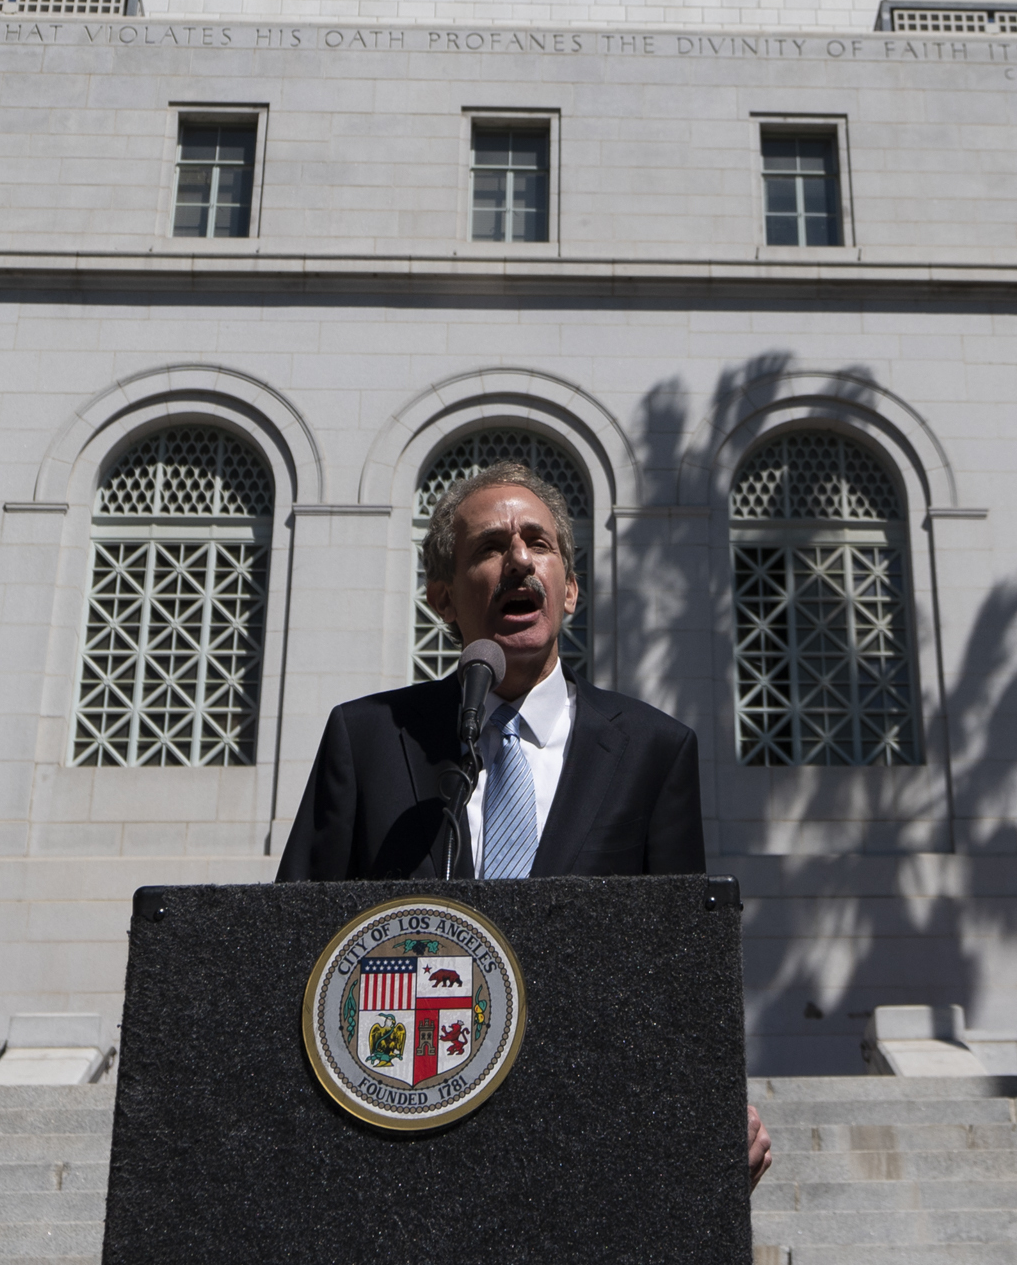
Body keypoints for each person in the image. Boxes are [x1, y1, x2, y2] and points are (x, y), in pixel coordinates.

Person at [277, 463, 767, 1184]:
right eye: (488, 547)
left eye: (537, 542)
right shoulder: (369, 738)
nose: (517, 560)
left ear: (568, 589)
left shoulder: (654, 752)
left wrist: (712, 1109)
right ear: (443, 597)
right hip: (396, 1145)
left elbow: (680, 973)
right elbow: (291, 944)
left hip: (580, 1150)